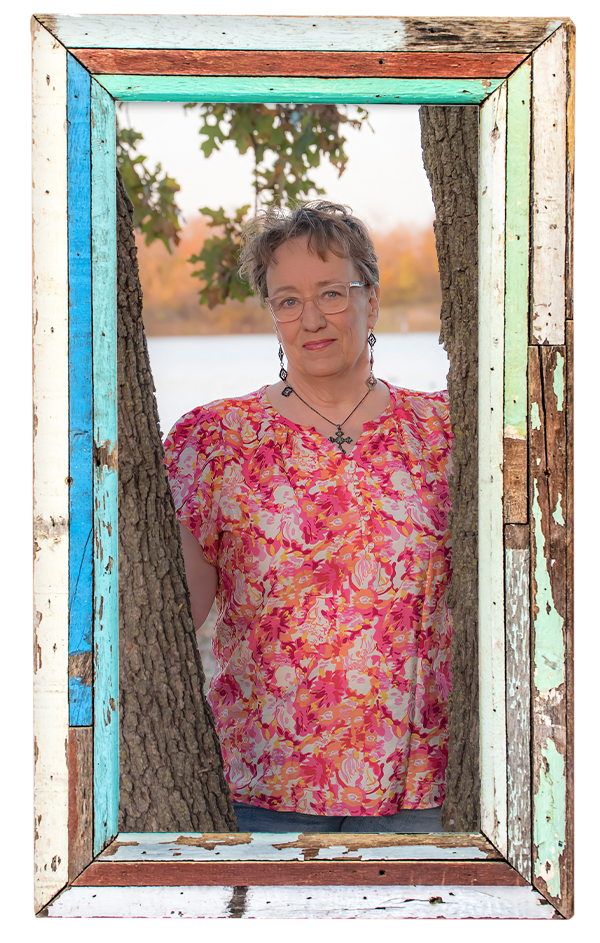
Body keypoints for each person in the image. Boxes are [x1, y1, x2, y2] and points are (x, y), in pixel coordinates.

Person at [163, 201, 453, 834]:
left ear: (371, 301)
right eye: (288, 300)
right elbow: (173, 610)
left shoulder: (444, 432)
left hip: (422, 791)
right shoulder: (216, 440)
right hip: (263, 788)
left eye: (332, 293)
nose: (312, 318)